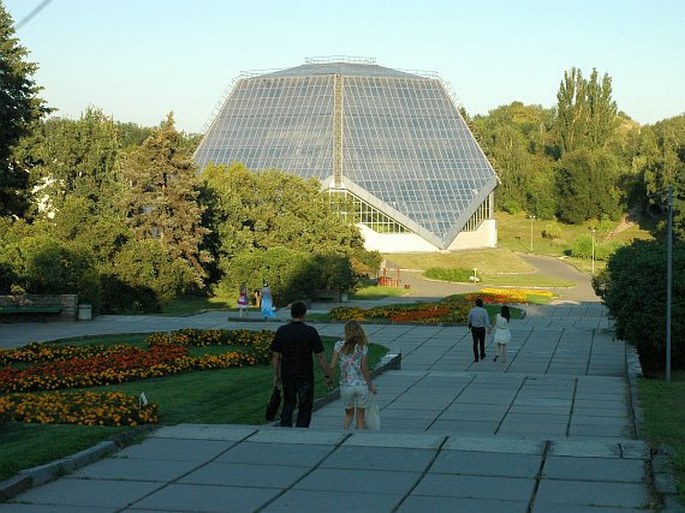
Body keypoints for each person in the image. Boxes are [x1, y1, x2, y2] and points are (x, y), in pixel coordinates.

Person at [271, 301, 332, 427]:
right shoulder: (310, 332)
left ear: (291, 313)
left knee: (289, 401)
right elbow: (320, 355)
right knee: (305, 404)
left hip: (287, 373)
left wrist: (276, 375)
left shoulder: (282, 331)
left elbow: (275, 356)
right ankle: (302, 428)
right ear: (304, 314)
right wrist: (327, 374)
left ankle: (285, 427)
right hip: (305, 374)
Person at [330, 320, 377, 430]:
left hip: (346, 385)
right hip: (361, 385)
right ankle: (359, 438)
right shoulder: (362, 347)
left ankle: (344, 433)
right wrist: (370, 385)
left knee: (348, 414)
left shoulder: (338, 345)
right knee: (360, 416)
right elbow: (364, 368)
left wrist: (329, 377)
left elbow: (332, 365)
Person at [467, 297, 490, 362]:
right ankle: (482, 355)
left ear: (476, 304)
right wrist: (489, 328)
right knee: (482, 342)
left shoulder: (472, 310)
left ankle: (476, 358)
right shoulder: (484, 311)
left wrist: (469, 324)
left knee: (475, 343)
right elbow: (487, 321)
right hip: (482, 329)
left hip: (474, 329)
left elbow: (469, 319)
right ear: (482, 304)